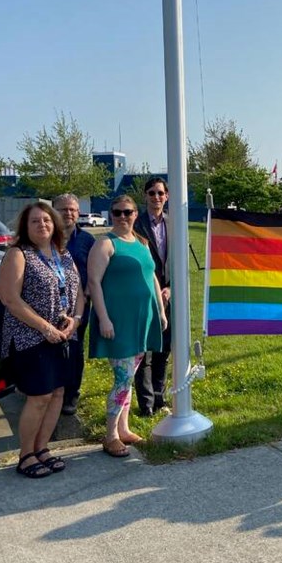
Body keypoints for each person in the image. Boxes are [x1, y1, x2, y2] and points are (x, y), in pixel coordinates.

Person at [0, 202, 84, 478]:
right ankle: (26, 455)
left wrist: (76, 319)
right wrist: (45, 327)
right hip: (30, 337)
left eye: (47, 220)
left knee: (58, 393)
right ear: (25, 226)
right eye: (35, 221)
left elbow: (80, 291)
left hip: (63, 335)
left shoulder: (63, 253)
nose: (42, 225)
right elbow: (10, 299)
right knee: (40, 396)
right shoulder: (18, 254)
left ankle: (42, 448)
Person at [88, 195, 167, 457]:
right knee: (122, 378)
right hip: (118, 322)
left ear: (136, 214)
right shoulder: (105, 244)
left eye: (128, 212)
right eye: (117, 212)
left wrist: (159, 310)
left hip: (142, 321)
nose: (123, 217)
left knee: (130, 377)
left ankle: (124, 428)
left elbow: (152, 277)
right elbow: (94, 283)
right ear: (111, 214)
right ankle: (110, 435)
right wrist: (104, 318)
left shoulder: (142, 243)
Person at [53, 194, 96, 416]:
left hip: (79, 306)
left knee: (75, 350)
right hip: (50, 306)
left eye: (72, 209)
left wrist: (88, 292)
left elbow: (96, 269)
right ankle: (52, 391)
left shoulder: (87, 240)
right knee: (51, 348)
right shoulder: (45, 237)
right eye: (63, 209)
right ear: (53, 211)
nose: (68, 213)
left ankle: (71, 394)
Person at [132, 177, 172, 416]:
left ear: (166, 196)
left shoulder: (174, 223)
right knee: (144, 353)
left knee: (163, 351)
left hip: (169, 296)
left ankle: (160, 399)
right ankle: (146, 406)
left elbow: (178, 260)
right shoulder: (135, 224)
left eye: (160, 193)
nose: (156, 197)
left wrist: (170, 288)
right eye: (151, 193)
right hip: (144, 295)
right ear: (145, 196)